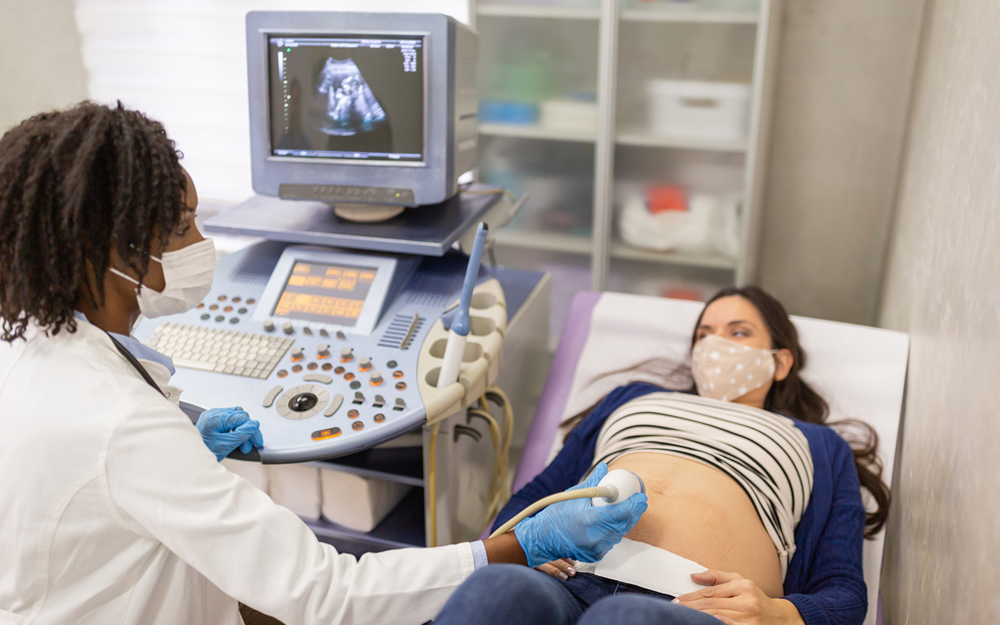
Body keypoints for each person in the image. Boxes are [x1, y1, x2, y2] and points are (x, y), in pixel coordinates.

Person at [0, 102, 647, 625]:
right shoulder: (119, 423)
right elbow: (324, 595)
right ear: (115, 247)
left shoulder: (29, 340)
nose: (204, 245)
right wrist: (519, 547)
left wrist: (184, 450)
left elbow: (83, 483)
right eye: (184, 227)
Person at [434, 286, 890, 625]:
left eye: (739, 332)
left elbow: (845, 592)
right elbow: (540, 492)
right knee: (498, 588)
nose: (716, 345)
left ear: (781, 361)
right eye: (705, 334)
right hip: (567, 577)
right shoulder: (633, 398)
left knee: (625, 620)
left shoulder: (819, 444)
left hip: (691, 604)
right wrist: (522, 542)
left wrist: (781, 612)